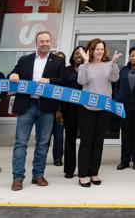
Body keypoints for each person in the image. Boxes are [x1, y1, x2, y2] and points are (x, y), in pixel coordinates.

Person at [8, 31, 66, 191]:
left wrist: (50, 81)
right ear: (36, 43)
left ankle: (38, 175)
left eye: (47, 41)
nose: (45, 43)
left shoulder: (59, 61)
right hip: (26, 106)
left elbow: (64, 81)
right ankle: (17, 178)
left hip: (46, 108)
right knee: (20, 143)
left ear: (51, 42)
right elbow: (12, 75)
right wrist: (13, 74)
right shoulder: (24, 60)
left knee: (42, 143)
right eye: (42, 41)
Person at [75, 38, 121, 187]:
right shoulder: (84, 65)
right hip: (87, 108)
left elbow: (115, 78)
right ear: (92, 50)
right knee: (87, 141)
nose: (100, 51)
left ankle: (94, 172)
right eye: (97, 49)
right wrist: (86, 63)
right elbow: (82, 81)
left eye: (102, 49)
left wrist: (113, 63)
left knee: (99, 142)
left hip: (104, 108)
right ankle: (83, 174)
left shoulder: (109, 65)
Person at [61, 46, 84, 179]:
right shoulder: (66, 70)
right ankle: (69, 169)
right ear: (72, 55)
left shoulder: (89, 68)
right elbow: (60, 88)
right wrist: (59, 110)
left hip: (85, 109)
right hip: (69, 109)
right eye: (76, 53)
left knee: (85, 140)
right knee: (70, 139)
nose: (78, 55)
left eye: (81, 53)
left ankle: (83, 167)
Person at [50, 50, 67, 167]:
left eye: (61, 59)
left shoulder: (64, 75)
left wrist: (59, 110)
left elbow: (63, 96)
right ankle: (40, 157)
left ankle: (58, 158)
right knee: (44, 137)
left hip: (59, 109)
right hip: (45, 109)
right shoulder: (47, 73)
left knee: (59, 135)